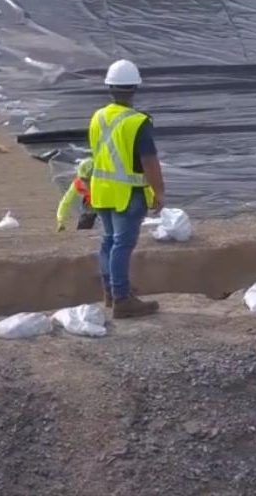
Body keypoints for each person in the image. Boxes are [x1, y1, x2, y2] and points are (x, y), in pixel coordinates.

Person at [89, 59, 166, 319]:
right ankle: (122, 298)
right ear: (134, 88)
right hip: (128, 193)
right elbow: (149, 160)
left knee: (108, 241)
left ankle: (111, 292)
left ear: (110, 87)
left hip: (102, 191)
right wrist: (159, 191)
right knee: (122, 243)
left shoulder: (98, 116)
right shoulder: (137, 122)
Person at [55, 156, 97, 232]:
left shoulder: (106, 183)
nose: (86, 183)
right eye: (83, 179)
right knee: (84, 223)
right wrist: (61, 221)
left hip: (106, 203)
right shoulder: (78, 183)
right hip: (90, 204)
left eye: (88, 180)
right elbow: (65, 202)